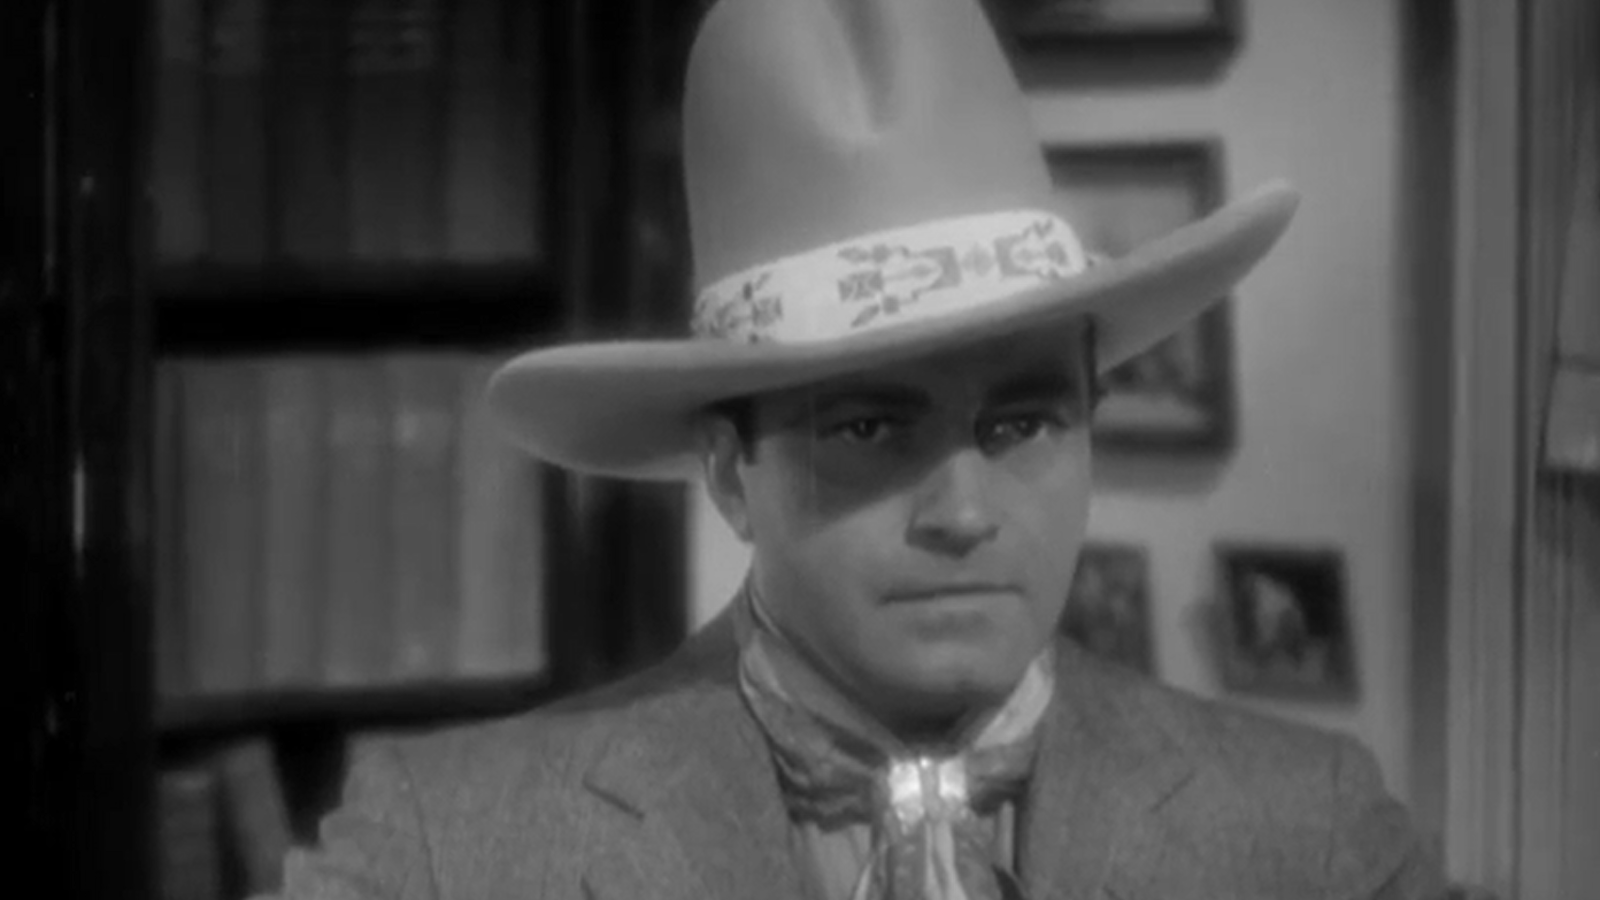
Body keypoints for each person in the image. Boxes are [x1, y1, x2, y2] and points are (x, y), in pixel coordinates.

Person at [275, 0, 1445, 897]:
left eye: (1022, 423)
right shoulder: (442, 851)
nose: (963, 512)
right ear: (729, 473)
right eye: (871, 428)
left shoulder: (1308, 834)